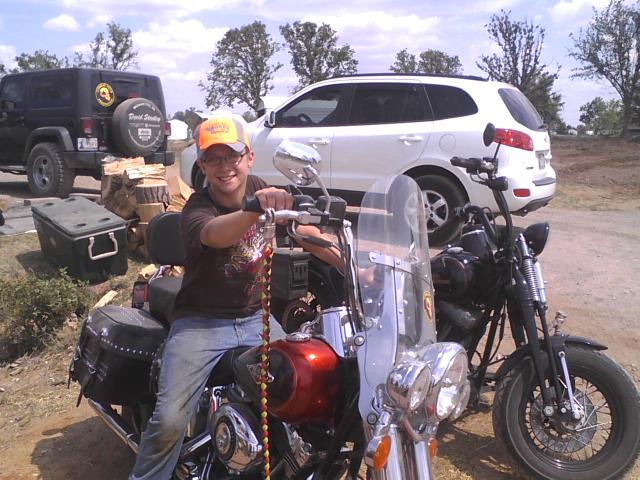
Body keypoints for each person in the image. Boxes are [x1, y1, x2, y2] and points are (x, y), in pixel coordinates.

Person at [129, 114, 340, 479]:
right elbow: (216, 234)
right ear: (202, 166)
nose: (224, 166)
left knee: (303, 386)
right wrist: (254, 209)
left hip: (255, 317)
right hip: (200, 324)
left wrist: (351, 262)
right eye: (213, 158)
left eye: (232, 156)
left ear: (249, 158)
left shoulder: (259, 187)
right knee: (169, 421)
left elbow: (301, 230)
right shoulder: (198, 207)